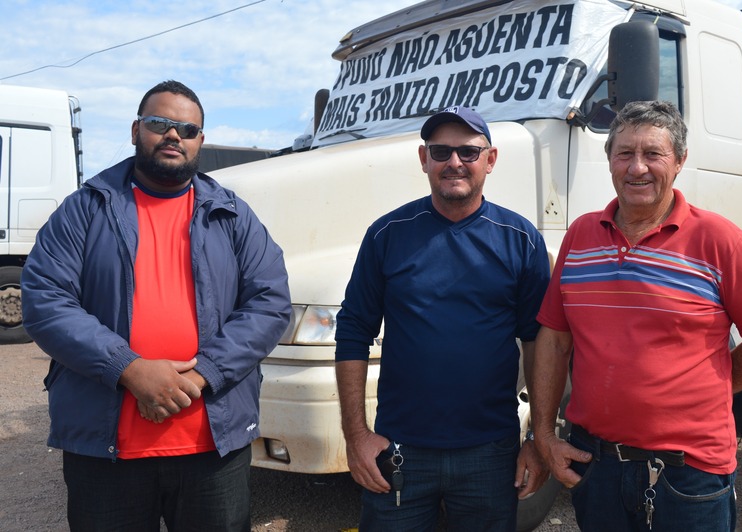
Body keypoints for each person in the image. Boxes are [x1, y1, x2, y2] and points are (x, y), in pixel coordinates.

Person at [21, 80, 291, 532]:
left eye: (186, 128)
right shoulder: (85, 209)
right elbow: (46, 301)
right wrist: (129, 368)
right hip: (107, 453)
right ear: (135, 130)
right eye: (159, 123)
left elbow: (269, 301)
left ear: (200, 141)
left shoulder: (232, 214)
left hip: (212, 448)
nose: (173, 135)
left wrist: (206, 372)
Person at [528, 100, 742, 532]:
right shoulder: (580, 234)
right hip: (596, 468)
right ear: (610, 161)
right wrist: (542, 435)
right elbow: (555, 338)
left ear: (679, 162)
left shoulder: (720, 240)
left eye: (653, 154)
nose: (637, 167)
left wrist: (712, 385)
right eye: (625, 153)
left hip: (688, 475)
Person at [334, 105, 551, 531]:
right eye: (441, 151)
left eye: (469, 152)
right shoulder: (387, 234)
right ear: (424, 160)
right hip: (400, 450)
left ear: (490, 160)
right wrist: (356, 435)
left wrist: (536, 439)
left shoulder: (521, 240)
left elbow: (541, 342)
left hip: (490, 453)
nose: (454, 162)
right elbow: (354, 331)